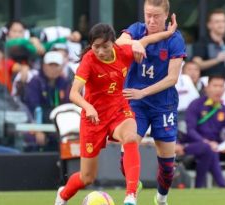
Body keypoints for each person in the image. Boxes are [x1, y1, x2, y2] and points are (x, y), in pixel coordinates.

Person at [54, 22, 177, 205]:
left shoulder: (123, 52)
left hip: (119, 110)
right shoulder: (89, 60)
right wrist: (88, 107)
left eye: (105, 46)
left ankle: (130, 195)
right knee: (87, 177)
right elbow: (73, 93)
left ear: (113, 43)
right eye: (96, 47)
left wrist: (168, 33)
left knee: (130, 138)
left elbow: (147, 40)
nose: (101, 51)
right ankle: (62, 195)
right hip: (93, 118)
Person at [116, 0, 185, 204]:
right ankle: (132, 190)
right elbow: (118, 44)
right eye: (148, 15)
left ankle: (161, 198)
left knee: (166, 165)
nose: (151, 20)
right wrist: (138, 42)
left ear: (166, 16)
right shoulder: (137, 30)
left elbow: (172, 78)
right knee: (126, 149)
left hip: (163, 104)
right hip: (135, 102)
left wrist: (143, 92)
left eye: (156, 16)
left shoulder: (175, 39)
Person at [176, 75, 225, 188]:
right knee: (208, 149)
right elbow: (190, 130)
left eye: (221, 86)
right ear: (207, 88)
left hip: (217, 146)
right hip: (196, 145)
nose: (218, 89)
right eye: (215, 86)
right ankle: (218, 185)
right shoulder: (195, 105)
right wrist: (206, 142)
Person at [24, 51, 70, 151]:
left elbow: (68, 106)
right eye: (50, 65)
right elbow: (32, 108)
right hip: (39, 125)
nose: (53, 69)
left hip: (59, 125)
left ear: (61, 67)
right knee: (34, 138)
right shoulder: (35, 82)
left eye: (56, 66)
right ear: (44, 66)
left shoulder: (65, 83)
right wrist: (38, 130)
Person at [193, 9, 225, 84]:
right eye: (217, 22)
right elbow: (196, 64)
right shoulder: (202, 42)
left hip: (224, 85)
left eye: (223, 21)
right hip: (208, 85)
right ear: (209, 25)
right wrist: (217, 60)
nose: (221, 24)